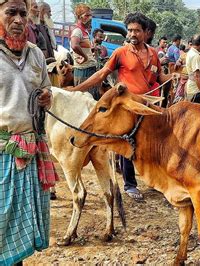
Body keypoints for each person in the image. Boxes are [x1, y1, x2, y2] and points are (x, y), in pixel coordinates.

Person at [67, 12, 175, 200]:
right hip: (127, 107)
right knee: (127, 143)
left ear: (145, 32)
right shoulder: (121, 53)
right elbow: (101, 74)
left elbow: (160, 78)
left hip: (148, 105)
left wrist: (174, 76)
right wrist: (76, 89)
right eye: (130, 30)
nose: (133, 34)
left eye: (137, 31)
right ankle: (130, 184)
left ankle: (156, 180)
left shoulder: (153, 54)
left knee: (151, 143)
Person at [0, 0, 59, 263]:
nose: (18, 19)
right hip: (3, 152)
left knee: (19, 225)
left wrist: (47, 97)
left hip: (30, 150)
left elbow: (47, 89)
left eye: (23, 13)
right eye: (10, 12)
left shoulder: (35, 54)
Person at [70, 4, 99, 100]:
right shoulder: (77, 30)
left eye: (90, 15)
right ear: (79, 17)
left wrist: (92, 50)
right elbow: (74, 45)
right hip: (83, 71)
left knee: (91, 99)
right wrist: (85, 57)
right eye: (86, 15)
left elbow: (83, 47)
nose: (90, 18)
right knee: (84, 100)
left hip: (89, 69)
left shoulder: (85, 31)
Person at [185, 34, 200, 103]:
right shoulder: (195, 56)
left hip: (192, 88)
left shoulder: (190, 53)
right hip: (195, 90)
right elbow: (197, 76)